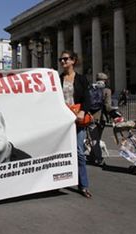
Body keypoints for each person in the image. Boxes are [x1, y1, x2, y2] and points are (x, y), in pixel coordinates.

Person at [59, 50, 92, 198]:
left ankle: (83, 185)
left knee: (79, 152)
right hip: (62, 121)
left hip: (78, 120)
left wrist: (83, 111)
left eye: (66, 59)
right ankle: (59, 181)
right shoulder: (58, 79)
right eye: (61, 59)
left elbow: (87, 98)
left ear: (73, 61)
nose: (63, 62)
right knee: (61, 152)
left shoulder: (81, 79)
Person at [87, 72, 112, 166]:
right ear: (105, 80)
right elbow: (108, 106)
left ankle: (92, 156)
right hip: (101, 118)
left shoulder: (90, 88)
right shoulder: (106, 90)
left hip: (90, 117)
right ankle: (98, 158)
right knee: (97, 139)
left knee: (94, 138)